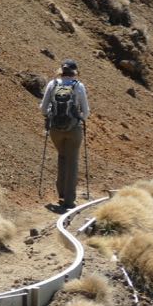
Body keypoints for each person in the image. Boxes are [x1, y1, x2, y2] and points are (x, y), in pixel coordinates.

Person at [40, 60, 90, 210]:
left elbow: (43, 109)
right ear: (75, 71)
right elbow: (86, 112)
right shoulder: (78, 86)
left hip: (55, 129)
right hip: (74, 129)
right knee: (72, 161)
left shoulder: (52, 84)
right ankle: (69, 200)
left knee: (62, 156)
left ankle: (61, 193)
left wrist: (51, 115)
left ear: (61, 70)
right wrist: (78, 118)